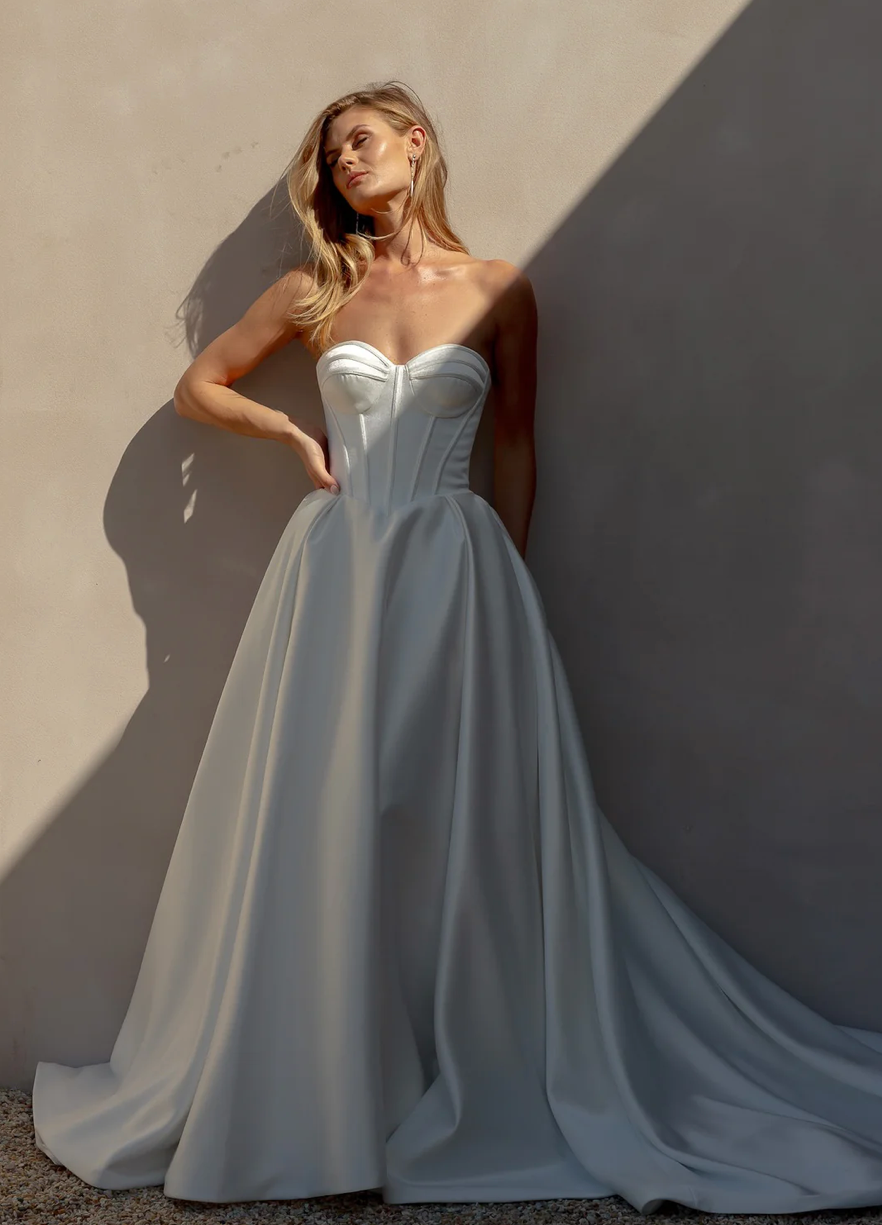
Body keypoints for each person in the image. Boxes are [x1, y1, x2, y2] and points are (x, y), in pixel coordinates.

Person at [30, 79, 882, 1216]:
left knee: (459, 817)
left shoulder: (498, 291)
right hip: (337, 571)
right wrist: (286, 429)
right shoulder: (314, 288)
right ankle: (329, 1090)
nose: (345, 165)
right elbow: (200, 386)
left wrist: (508, 581)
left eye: (361, 143)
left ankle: (468, 1066)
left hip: (458, 572)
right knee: (330, 809)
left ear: (418, 145)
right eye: (332, 156)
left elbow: (518, 445)